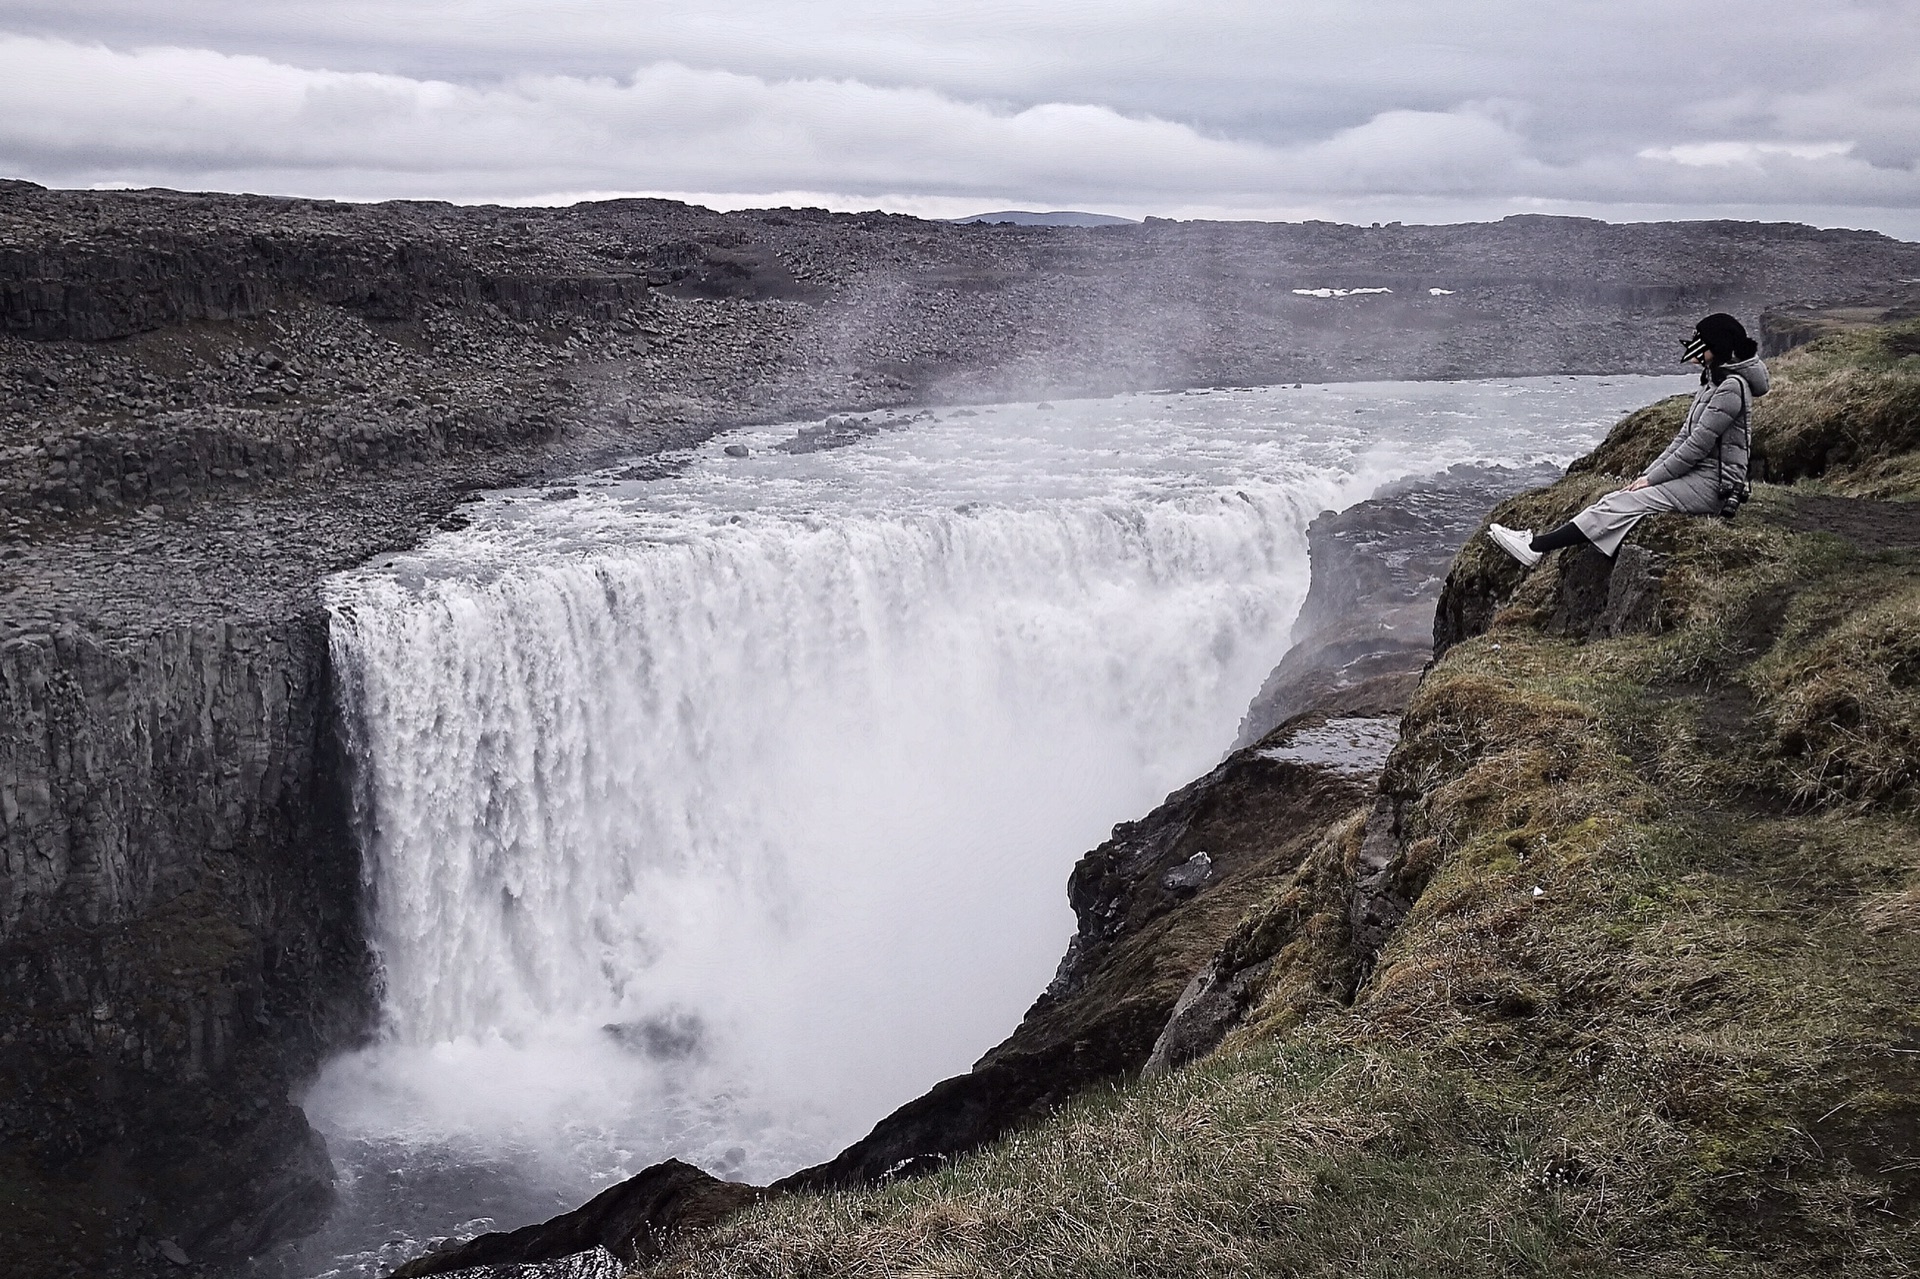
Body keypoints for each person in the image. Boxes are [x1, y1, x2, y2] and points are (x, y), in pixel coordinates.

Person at [1486, 313, 1771, 566]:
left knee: (1621, 503)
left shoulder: (1731, 389)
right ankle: (1539, 544)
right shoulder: (1714, 383)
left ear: (1715, 345)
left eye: (1700, 339)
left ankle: (1535, 548)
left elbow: (1696, 446)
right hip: (1701, 477)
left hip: (1713, 486)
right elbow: (1684, 436)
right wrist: (1650, 475)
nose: (1693, 344)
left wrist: (1654, 479)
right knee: (1619, 497)